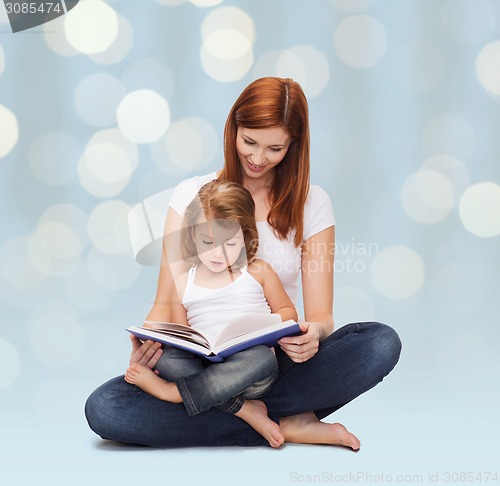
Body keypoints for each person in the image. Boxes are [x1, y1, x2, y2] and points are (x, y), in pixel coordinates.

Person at [85, 77, 401, 449]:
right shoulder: (191, 196)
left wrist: (311, 335)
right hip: (198, 361)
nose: (256, 158)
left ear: (294, 146)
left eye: (274, 148)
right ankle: (276, 417)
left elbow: (321, 316)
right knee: (105, 407)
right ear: (233, 128)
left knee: (379, 343)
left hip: (270, 361)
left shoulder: (313, 203)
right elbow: (167, 302)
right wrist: (149, 343)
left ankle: (235, 412)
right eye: (249, 141)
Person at [124, 180, 298, 448]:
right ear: (193, 236)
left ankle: (173, 394)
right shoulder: (183, 281)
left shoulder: (258, 271)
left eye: (230, 243)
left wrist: (275, 325)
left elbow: (287, 312)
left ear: (245, 236)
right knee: (168, 357)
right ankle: (243, 409)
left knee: (263, 358)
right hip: (204, 369)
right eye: (208, 242)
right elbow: (182, 338)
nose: (218, 254)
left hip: (250, 372)